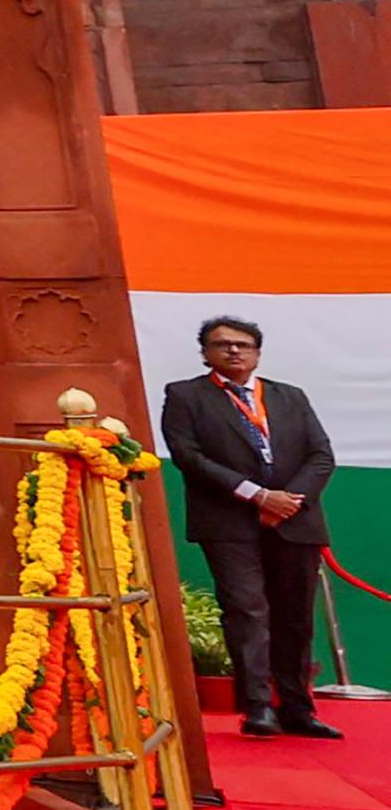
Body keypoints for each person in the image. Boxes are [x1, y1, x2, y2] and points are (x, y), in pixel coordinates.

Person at [161, 317, 339, 740]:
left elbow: (321, 455)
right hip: (228, 521)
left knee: (295, 617)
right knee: (247, 609)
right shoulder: (186, 395)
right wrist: (258, 496)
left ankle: (298, 708)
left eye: (243, 345)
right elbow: (188, 456)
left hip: (295, 520)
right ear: (205, 353)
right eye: (222, 345)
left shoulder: (289, 396)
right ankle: (258, 708)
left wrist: (288, 500)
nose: (234, 352)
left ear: (257, 352)